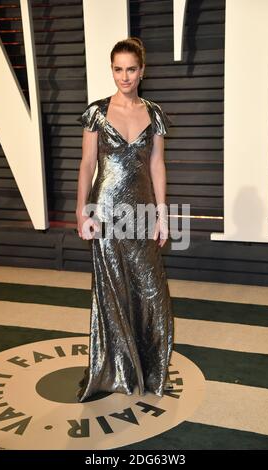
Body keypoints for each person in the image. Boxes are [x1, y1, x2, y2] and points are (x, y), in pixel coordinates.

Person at [75, 37, 174, 401]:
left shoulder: (154, 113)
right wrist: (81, 209)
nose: (124, 76)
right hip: (105, 211)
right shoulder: (97, 113)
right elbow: (87, 164)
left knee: (151, 292)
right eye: (118, 69)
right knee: (112, 292)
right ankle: (117, 369)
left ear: (142, 70)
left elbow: (157, 165)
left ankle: (149, 367)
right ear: (112, 70)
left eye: (131, 69)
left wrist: (163, 215)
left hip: (143, 212)